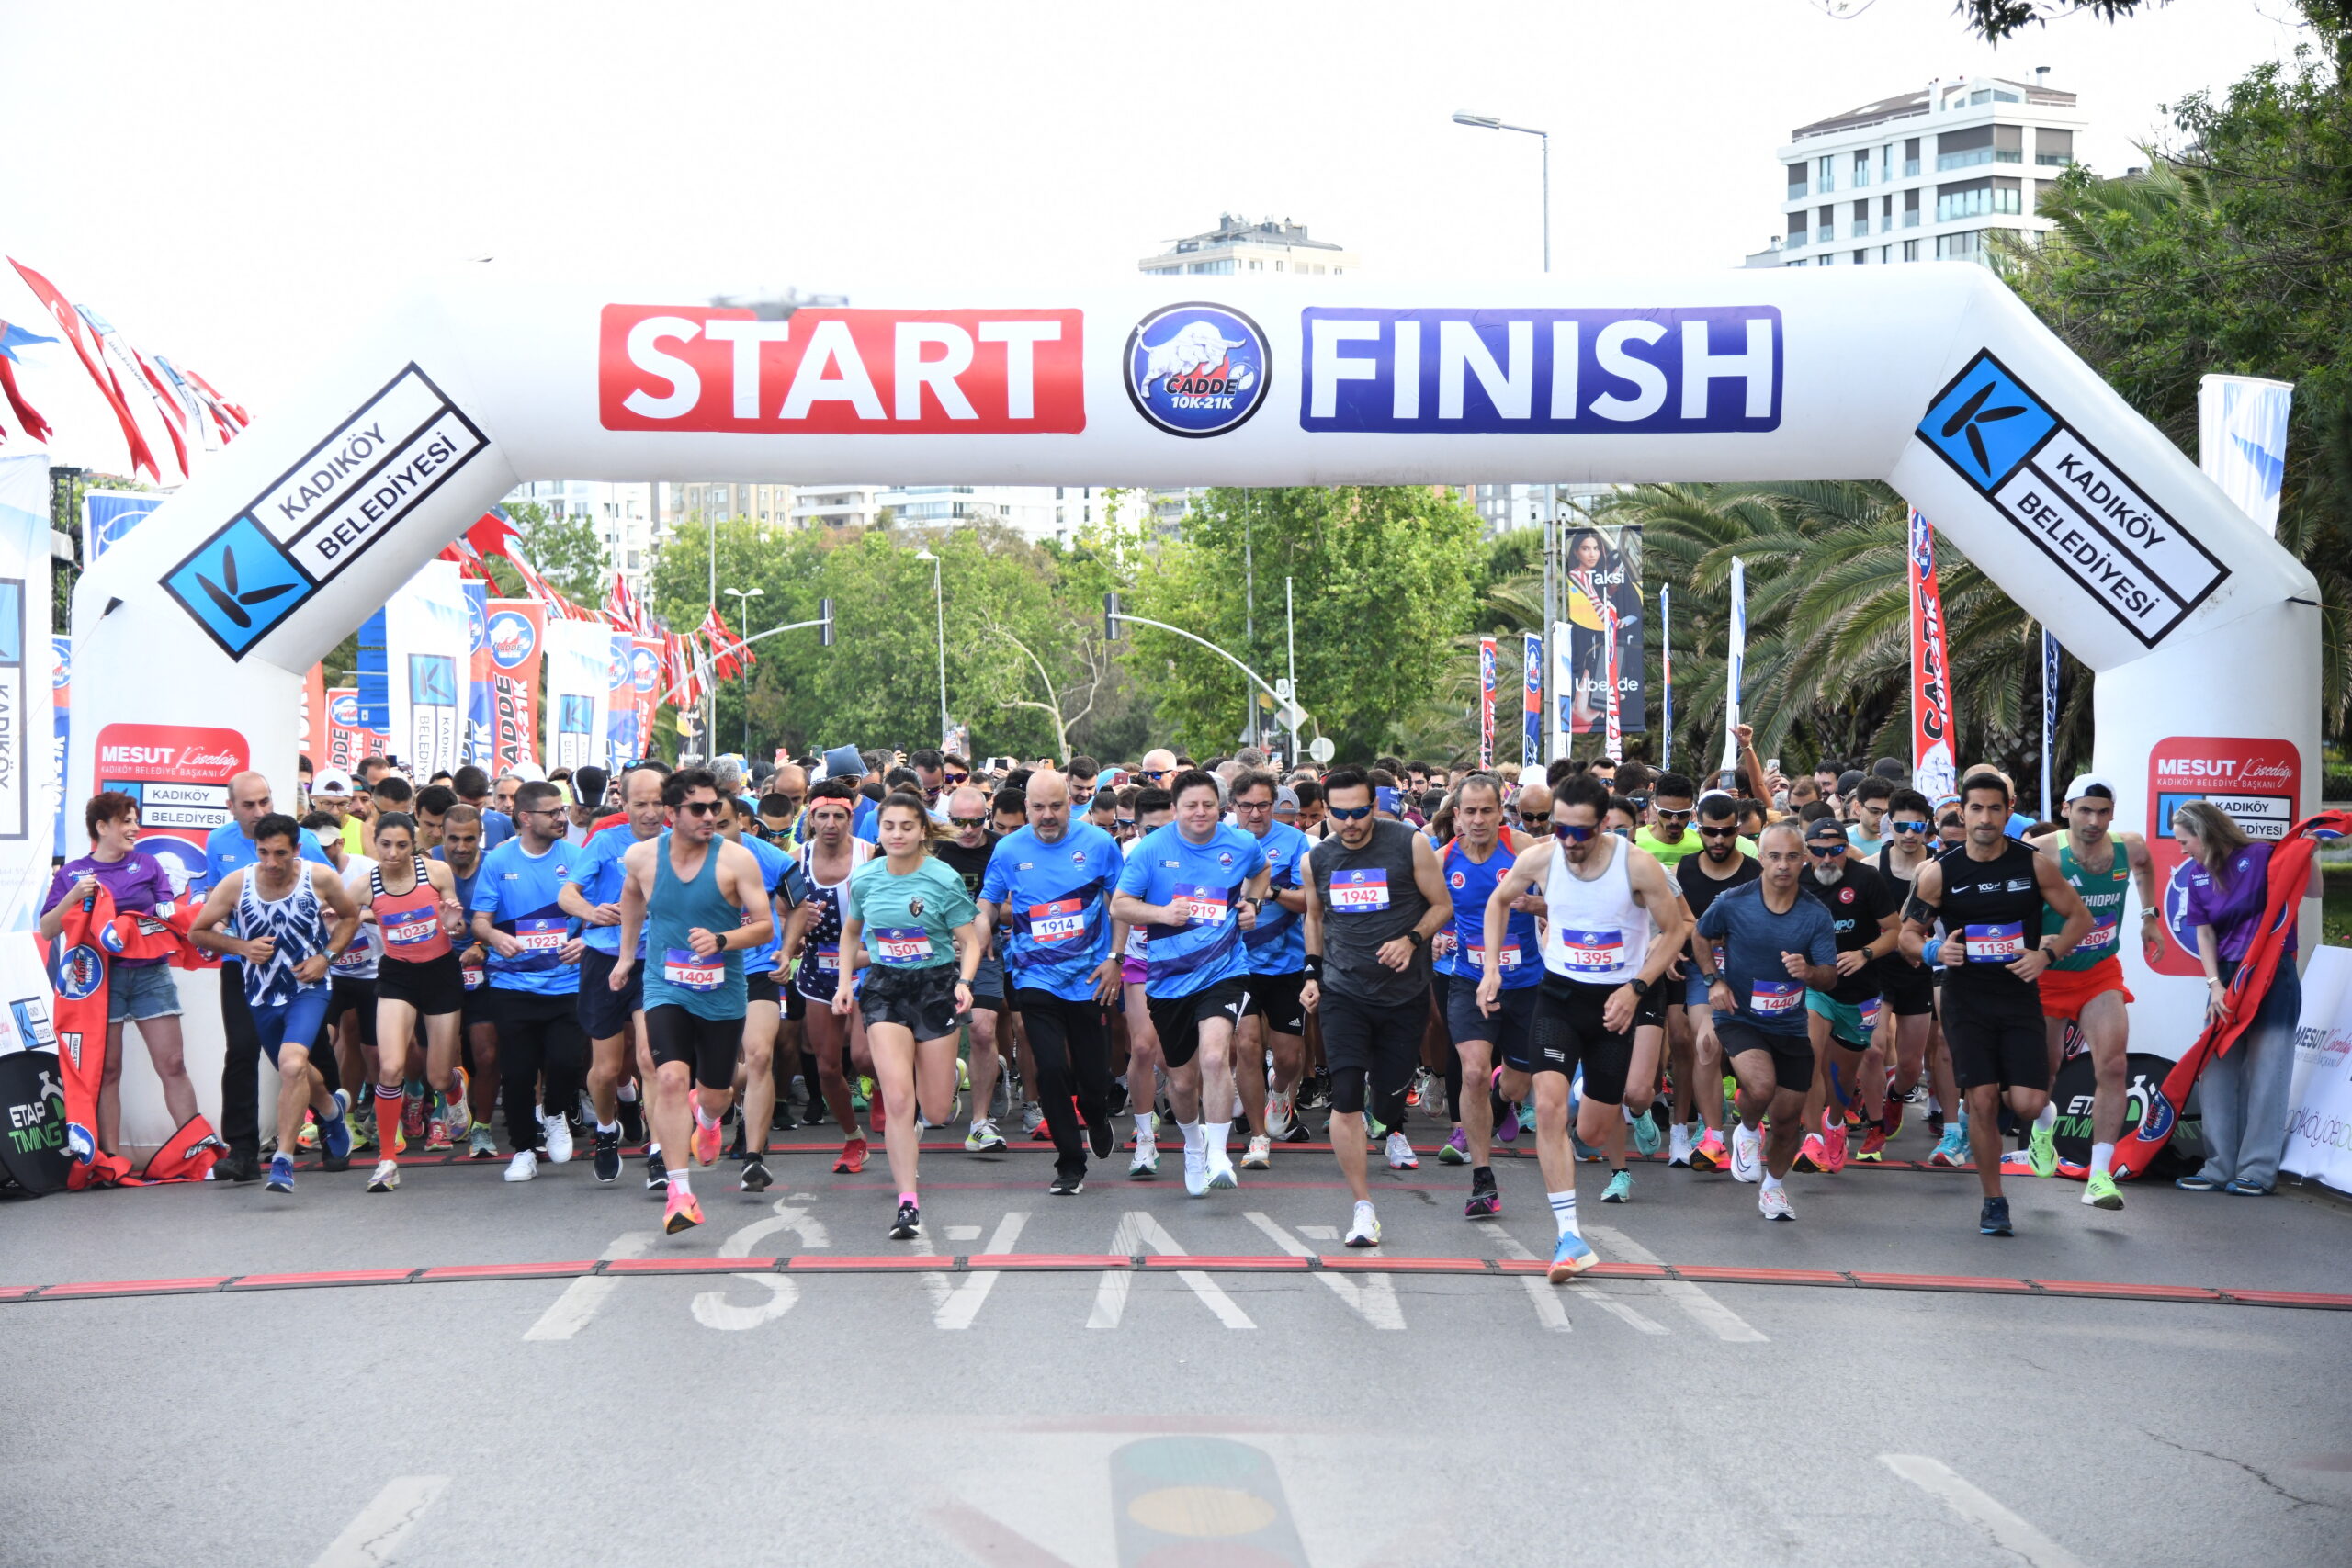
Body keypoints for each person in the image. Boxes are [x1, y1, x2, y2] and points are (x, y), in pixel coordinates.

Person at [1479, 773, 1688, 1279]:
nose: (1569, 842)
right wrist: (1491, 969)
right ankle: (1568, 1237)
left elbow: (1676, 929)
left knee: (1592, 1131)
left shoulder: (1636, 866)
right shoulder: (1542, 858)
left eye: (1581, 832)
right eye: (1560, 829)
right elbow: (1499, 900)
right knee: (1548, 1109)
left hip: (1616, 1005)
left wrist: (1637, 987)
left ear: (1604, 825)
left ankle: (1584, 1097)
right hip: (1558, 998)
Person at [1901, 773, 2091, 1235]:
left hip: (2020, 997)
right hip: (1967, 1000)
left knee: (2026, 1103)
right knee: (1983, 1101)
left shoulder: (2034, 866)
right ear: (1961, 813)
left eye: (1994, 809)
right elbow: (1906, 935)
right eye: (1976, 809)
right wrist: (1933, 952)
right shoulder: (1939, 871)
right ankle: (1994, 1201)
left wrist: (2045, 956)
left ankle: (2039, 1121)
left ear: (2009, 811)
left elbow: (2080, 919)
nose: (1985, 819)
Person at [610, 767, 774, 1235]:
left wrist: (722, 940)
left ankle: (707, 1116)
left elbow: (764, 925)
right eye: (698, 809)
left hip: (722, 992)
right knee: (669, 1077)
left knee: (718, 1095)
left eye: (715, 808)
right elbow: (633, 901)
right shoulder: (642, 857)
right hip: (667, 985)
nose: (710, 816)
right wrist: (626, 959)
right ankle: (679, 1193)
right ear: (671, 813)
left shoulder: (736, 861)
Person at [1296, 767, 1452, 1247]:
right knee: (1344, 1095)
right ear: (1326, 811)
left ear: (1375, 805)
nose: (1351, 822)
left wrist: (1411, 939)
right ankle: (1363, 1206)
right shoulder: (1317, 859)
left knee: (1387, 1095)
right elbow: (1315, 918)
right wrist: (1311, 973)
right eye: (1339, 814)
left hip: (1403, 995)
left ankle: (1383, 1104)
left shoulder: (1409, 843)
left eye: (1360, 811)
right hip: (1344, 992)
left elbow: (1442, 905)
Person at [1112, 770, 1272, 1200]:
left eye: (1207, 805)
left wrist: (1252, 902)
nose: (1199, 813)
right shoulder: (1151, 849)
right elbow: (1120, 905)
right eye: (1190, 806)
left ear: (1219, 808)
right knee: (1182, 1083)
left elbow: (1261, 871)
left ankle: (1219, 1154)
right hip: (1168, 979)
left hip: (1225, 969)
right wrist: (1163, 914)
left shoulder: (1239, 844)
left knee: (1217, 1057)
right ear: (1176, 809)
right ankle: (1195, 1145)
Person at [835, 792, 986, 1239]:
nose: (897, 834)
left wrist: (965, 981)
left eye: (906, 826)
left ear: (922, 830)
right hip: (883, 989)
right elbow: (851, 932)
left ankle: (948, 1078)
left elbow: (971, 940)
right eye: (889, 827)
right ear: (878, 832)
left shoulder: (942, 878)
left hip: (935, 986)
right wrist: (845, 982)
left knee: (935, 1111)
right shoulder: (864, 879)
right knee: (898, 1100)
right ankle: (907, 1203)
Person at [188, 813, 363, 1194]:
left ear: (297, 849)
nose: (271, 862)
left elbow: (351, 917)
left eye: (280, 853)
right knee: (294, 1070)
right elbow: (197, 931)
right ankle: (332, 1112)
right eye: (263, 852)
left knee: (292, 1062)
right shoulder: (238, 883)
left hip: (307, 986)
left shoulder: (320, 877)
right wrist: (240, 947)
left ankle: (282, 1162)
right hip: (261, 994)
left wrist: (326, 958)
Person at [978, 769, 1123, 1195]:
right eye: (1038, 807)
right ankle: (1069, 1163)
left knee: (1095, 1079)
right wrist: (982, 926)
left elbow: (1120, 903)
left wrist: (1115, 958)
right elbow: (989, 899)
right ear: (1026, 809)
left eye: (1056, 806)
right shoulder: (1008, 849)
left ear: (1070, 805)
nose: (1047, 816)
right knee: (1052, 1069)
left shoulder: (1098, 844)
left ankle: (1095, 1114)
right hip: (1034, 977)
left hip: (1090, 978)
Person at [40, 792, 201, 1156]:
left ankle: (197, 1149)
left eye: (135, 820)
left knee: (173, 1064)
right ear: (102, 827)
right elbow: (49, 928)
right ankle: (111, 1159)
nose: (135, 828)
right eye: (126, 821)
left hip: (150, 975)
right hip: (99, 982)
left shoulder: (147, 864)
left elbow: (167, 913)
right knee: (108, 1072)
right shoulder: (72, 873)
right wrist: (73, 898)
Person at [1693, 822, 1838, 1220]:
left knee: (1789, 1119)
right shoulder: (1733, 901)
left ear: (1804, 860)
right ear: (1761, 857)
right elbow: (1700, 936)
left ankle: (1773, 1188)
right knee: (1760, 1085)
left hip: (1789, 1024)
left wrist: (1809, 973)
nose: (1783, 865)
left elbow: (1830, 974)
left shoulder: (1815, 914)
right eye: (1774, 856)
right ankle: (1747, 1129)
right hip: (1740, 1015)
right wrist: (1713, 981)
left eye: (1792, 856)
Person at [2027, 774, 2159, 1208]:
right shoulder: (2045, 851)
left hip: (2100, 974)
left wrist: (2149, 916)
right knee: (2039, 1081)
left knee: (2114, 1066)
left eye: (2103, 812)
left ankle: (2100, 1176)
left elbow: (2145, 866)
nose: (2094, 820)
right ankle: (2043, 1128)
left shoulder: (2129, 846)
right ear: (2066, 810)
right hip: (2047, 976)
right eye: (2085, 810)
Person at [2173, 800, 2303, 1197]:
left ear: (2206, 832)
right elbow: (2205, 934)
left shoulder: (2262, 855)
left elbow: (2309, 889)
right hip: (2227, 980)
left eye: (2185, 841)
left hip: (2271, 973)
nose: (2181, 850)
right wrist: (2214, 984)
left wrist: (2307, 851)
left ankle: (2257, 1171)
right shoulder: (2194, 875)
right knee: (2216, 1071)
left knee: (2268, 1073)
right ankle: (2218, 1167)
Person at [469, 779, 591, 1184]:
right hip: (511, 987)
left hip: (566, 984)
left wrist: (586, 942)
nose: (562, 817)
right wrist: (494, 936)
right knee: (518, 1074)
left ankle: (555, 1113)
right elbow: (480, 921)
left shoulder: (576, 857)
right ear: (525, 818)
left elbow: (600, 913)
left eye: (562, 810)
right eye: (552, 812)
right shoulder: (498, 861)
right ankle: (523, 1149)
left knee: (565, 1060)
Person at [1432, 773, 1541, 1219]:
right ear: (1456, 815)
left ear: (1501, 812)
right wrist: (1436, 934)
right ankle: (1482, 1178)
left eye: (1487, 811)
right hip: (1469, 980)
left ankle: (1504, 1097)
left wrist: (1538, 907)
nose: (1478, 820)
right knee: (1472, 1071)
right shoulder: (1443, 859)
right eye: (1469, 812)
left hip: (1528, 983)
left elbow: (1570, 904)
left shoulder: (1526, 851)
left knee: (1517, 1081)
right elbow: (1430, 908)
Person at [562, 762, 669, 1187]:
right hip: (605, 960)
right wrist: (592, 913)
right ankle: (607, 1129)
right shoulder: (605, 841)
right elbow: (567, 894)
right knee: (606, 1070)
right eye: (640, 803)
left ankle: (661, 1150)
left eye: (659, 802)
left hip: (657, 962)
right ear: (621, 801)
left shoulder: (680, 842)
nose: (650, 812)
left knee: (651, 1060)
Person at [356, 813, 471, 1193]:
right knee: (391, 1068)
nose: (392, 853)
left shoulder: (436, 872)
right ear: (373, 843)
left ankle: (455, 1089)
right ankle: (387, 1160)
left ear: (414, 844)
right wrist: (343, 921)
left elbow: (454, 923)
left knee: (438, 1075)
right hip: (397, 976)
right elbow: (343, 915)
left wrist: (454, 922)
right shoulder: (364, 884)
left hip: (440, 974)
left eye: (401, 845)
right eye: (385, 844)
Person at [1794, 815, 1901, 1176]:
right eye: (1819, 852)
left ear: (1847, 849)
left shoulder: (1866, 879)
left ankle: (1835, 1123)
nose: (1827, 859)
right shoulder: (1798, 880)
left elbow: (1894, 931)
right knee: (1809, 1053)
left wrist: (1865, 953)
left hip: (1860, 992)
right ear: (1807, 851)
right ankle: (1813, 1138)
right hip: (1814, 987)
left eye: (1836, 851)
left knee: (1841, 1074)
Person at [781, 777, 877, 1173]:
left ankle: (905, 1093)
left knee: (864, 1057)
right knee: (826, 1067)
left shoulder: (871, 854)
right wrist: (798, 925)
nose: (831, 823)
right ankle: (854, 1139)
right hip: (819, 968)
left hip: (866, 965)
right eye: (823, 815)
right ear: (811, 818)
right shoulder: (796, 859)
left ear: (851, 818)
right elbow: (781, 912)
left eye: (839, 815)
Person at [1871, 788, 1963, 1167]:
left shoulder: (1942, 869)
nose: (1909, 834)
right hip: (1877, 969)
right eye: (1902, 826)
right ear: (1889, 825)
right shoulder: (1868, 865)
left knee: (1910, 1066)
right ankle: (1875, 1124)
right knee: (1874, 1048)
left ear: (1928, 827)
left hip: (1920, 971)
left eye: (1917, 826)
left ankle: (1895, 1097)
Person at [1674, 792, 1762, 1171]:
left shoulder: (1754, 870)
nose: (1719, 840)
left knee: (1754, 1065)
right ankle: (1712, 1137)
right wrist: (1674, 945)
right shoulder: (1686, 868)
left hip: (1749, 974)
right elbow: (1675, 918)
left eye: (1726, 832)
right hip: (1700, 972)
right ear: (1698, 825)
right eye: (1710, 832)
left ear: (1737, 828)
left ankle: (1749, 1130)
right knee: (1706, 1043)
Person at [1232, 771, 1312, 1167]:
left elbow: (1309, 903)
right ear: (1234, 808)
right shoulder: (1220, 843)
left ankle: (1279, 1092)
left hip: (1287, 964)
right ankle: (1258, 1139)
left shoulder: (1295, 842)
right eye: (1246, 806)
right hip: (1236, 964)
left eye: (1263, 805)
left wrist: (1270, 890)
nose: (1255, 813)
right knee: (1246, 1047)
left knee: (1288, 1059)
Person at [722, 795, 799, 1191]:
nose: (712, 831)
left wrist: (786, 950)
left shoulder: (770, 857)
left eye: (722, 823)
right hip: (704, 971)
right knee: (715, 1072)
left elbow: (800, 903)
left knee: (759, 1054)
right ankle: (714, 1108)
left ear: (743, 821)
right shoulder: (678, 855)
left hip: (756, 969)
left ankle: (753, 1155)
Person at [933, 786, 1015, 1154]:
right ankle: (950, 1079)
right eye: (959, 822)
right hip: (934, 951)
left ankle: (980, 1123)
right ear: (947, 818)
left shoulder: (1003, 848)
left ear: (988, 815)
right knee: (933, 1034)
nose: (967, 829)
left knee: (983, 1029)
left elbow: (1018, 904)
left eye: (976, 821)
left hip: (984, 951)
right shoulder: (930, 847)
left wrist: (985, 920)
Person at [434, 803, 503, 1156]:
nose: (461, 846)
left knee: (488, 1054)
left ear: (481, 837)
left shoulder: (494, 865)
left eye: (469, 839)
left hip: (484, 971)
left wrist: (483, 947)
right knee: (435, 1062)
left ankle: (483, 1128)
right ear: (440, 835)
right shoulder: (425, 864)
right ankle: (445, 1101)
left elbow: (511, 919)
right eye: (454, 839)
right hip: (435, 971)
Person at [1115, 787, 1175, 1175]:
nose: (1159, 838)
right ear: (1136, 828)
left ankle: (1195, 1130)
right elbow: (1116, 909)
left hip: (1185, 962)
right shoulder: (1123, 855)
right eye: (1150, 830)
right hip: (1138, 959)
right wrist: (1113, 957)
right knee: (1141, 1048)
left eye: (1167, 829)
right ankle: (1145, 1140)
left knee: (1175, 1058)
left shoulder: (1193, 850)